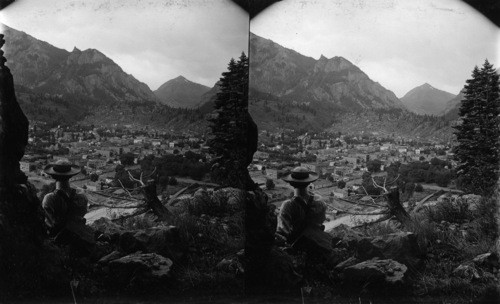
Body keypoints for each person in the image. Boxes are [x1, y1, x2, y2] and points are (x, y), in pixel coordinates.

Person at [276, 167, 333, 260]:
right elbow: (322, 220)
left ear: (291, 183)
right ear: (309, 182)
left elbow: (282, 232)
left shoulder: (288, 205)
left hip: (299, 249)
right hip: (317, 244)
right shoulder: (319, 200)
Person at [42, 160, 95, 254]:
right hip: (80, 240)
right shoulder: (82, 198)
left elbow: (50, 225)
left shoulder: (49, 199)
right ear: (71, 175)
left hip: (60, 243)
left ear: (53, 176)